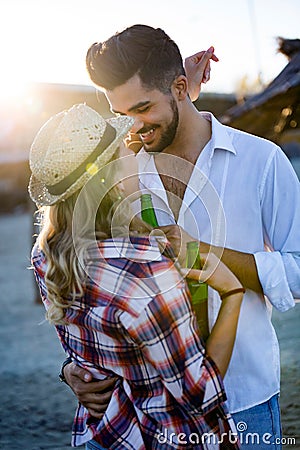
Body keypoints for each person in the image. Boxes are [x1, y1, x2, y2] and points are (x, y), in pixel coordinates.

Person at [63, 25, 300, 449]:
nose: (134, 127)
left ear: (179, 88)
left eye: (143, 108)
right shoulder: (115, 175)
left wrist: (206, 254)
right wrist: (74, 368)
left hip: (244, 402)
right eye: (122, 115)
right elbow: (87, 289)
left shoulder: (262, 161)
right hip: (145, 412)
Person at [29, 102, 245, 449]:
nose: (135, 152)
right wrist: (232, 293)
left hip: (104, 434)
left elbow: (87, 350)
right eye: (123, 150)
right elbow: (200, 395)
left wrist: (70, 370)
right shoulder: (145, 272)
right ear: (111, 176)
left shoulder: (47, 255)